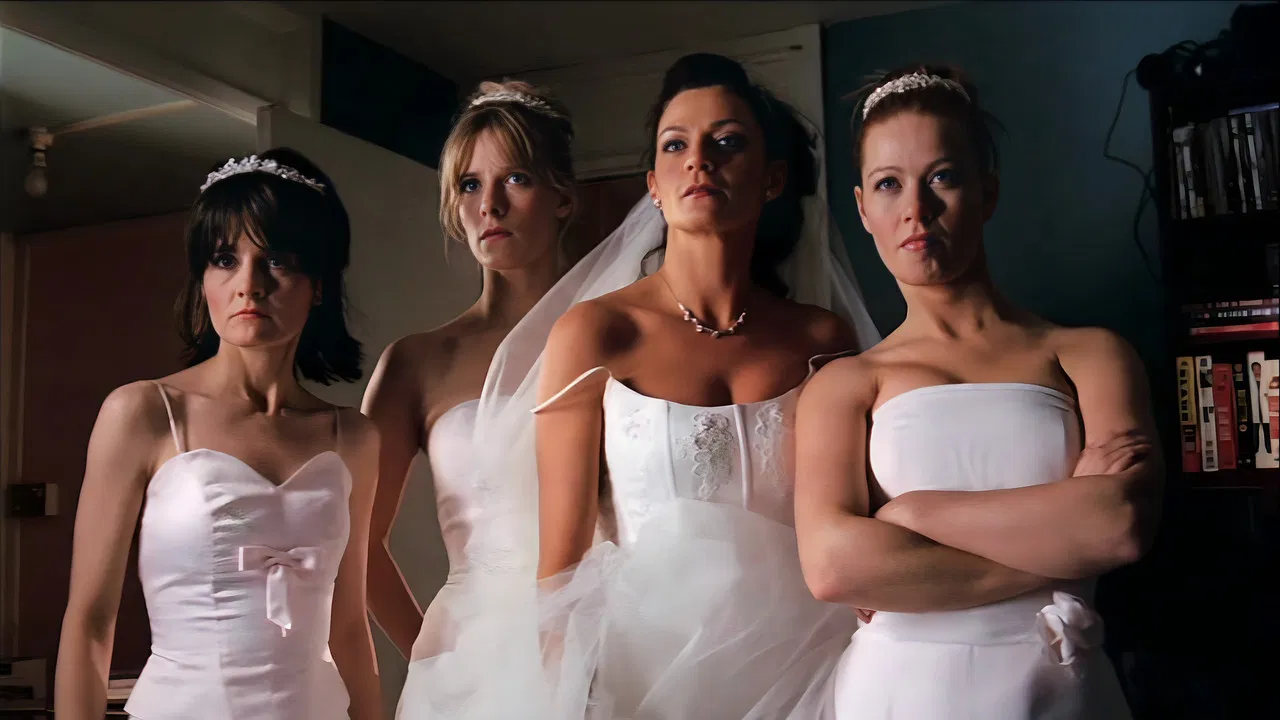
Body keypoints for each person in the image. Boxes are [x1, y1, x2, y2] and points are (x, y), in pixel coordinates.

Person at [794, 65, 1158, 719]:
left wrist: (910, 517)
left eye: (942, 177)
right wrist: (1065, 552)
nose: (916, 209)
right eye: (889, 184)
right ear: (863, 209)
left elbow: (1119, 526)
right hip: (902, 693)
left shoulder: (1090, 354)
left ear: (986, 192)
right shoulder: (844, 385)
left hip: (1056, 691)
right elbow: (833, 570)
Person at [530, 52, 879, 718]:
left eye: (727, 142)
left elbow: (854, 523)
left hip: (809, 668)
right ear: (654, 187)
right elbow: (560, 566)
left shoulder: (821, 340)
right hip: (647, 677)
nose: (699, 160)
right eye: (676, 145)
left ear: (772, 178)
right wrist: (569, 699)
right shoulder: (597, 333)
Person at [55, 149, 383, 719]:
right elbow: (89, 622)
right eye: (225, 259)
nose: (248, 285)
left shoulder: (353, 436)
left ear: (319, 284)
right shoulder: (144, 413)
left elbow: (350, 626)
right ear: (202, 277)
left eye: (277, 260)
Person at [363, 80, 576, 717]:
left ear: (564, 196)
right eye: (469, 185)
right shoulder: (417, 362)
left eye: (516, 180)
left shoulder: (620, 336)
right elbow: (354, 538)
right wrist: (432, 659)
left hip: (604, 641)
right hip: (468, 667)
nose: (491, 206)